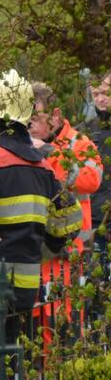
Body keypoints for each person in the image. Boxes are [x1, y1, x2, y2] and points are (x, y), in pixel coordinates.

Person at [0, 71, 81, 338]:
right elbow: (71, 219)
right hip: (24, 289)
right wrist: (37, 247)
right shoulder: (41, 165)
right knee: (9, 371)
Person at [28, 81, 100, 303]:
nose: (30, 125)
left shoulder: (78, 143)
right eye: (26, 118)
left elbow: (91, 179)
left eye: (36, 118)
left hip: (67, 252)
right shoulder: (23, 144)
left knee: (60, 323)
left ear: (56, 115)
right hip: (34, 248)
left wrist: (48, 154)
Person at [87, 71, 111, 264]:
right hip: (94, 222)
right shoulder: (85, 131)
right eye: (96, 94)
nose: (101, 99)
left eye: (106, 92)